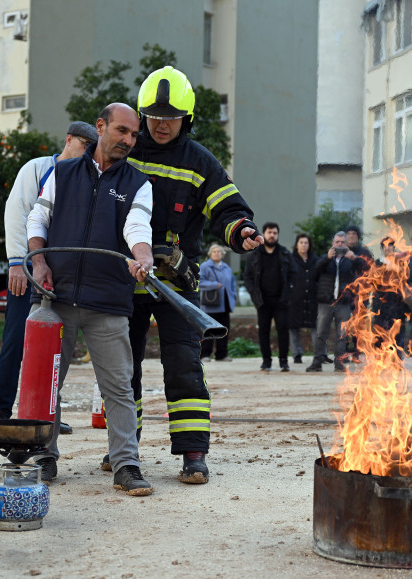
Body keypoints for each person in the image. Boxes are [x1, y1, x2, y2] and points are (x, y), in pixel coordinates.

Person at [126, 66, 261, 485]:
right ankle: (122, 450)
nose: (161, 123)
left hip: (176, 286)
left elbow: (228, 209)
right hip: (124, 280)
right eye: (153, 115)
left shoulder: (200, 162)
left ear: (187, 119)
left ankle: (193, 454)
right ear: (142, 114)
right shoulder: (123, 153)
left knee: (184, 365)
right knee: (120, 369)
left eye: (171, 117)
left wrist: (241, 232)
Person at [26, 103, 155, 495]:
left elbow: (137, 225)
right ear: (100, 127)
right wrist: (39, 259)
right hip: (55, 298)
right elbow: (37, 218)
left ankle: (126, 465)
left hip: (108, 303)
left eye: (134, 136)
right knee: (46, 385)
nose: (128, 141)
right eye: (122, 131)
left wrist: (143, 256)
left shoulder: (139, 183)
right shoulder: (62, 173)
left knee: (119, 388)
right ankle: (43, 456)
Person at [0, 121, 97, 432]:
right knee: (16, 341)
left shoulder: (86, 180)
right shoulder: (37, 168)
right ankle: (0, 413)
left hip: (63, 275)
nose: (87, 152)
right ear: (69, 139)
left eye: (92, 148)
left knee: (55, 349)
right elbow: (17, 212)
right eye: (84, 145)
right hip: (29, 268)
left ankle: (45, 416)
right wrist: (17, 262)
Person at [306, 232, 367, 372]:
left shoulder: (350, 260)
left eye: (342, 242)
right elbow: (314, 272)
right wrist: (327, 258)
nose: (340, 245)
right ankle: (317, 362)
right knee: (321, 333)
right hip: (325, 302)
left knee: (342, 335)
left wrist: (354, 258)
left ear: (346, 244)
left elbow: (365, 269)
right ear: (333, 244)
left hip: (343, 303)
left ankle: (339, 363)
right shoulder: (325, 259)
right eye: (337, 242)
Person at [244, 222, 293, 371]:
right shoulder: (254, 255)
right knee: (263, 331)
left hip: (281, 301)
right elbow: (247, 277)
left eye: (275, 233)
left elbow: (293, 274)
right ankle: (266, 361)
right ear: (264, 234)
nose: (272, 235)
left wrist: (288, 294)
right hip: (262, 301)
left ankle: (283, 361)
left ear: (278, 235)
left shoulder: (284, 253)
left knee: (283, 330)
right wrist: (254, 294)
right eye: (269, 232)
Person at [198, 244, 237, 362]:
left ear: (223, 254)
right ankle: (205, 354)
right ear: (210, 254)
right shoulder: (205, 266)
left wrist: (233, 296)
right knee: (208, 330)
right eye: (214, 251)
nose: (217, 253)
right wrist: (215, 285)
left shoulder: (226, 268)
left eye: (219, 251)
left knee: (224, 330)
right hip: (210, 305)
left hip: (224, 304)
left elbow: (233, 284)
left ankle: (222, 354)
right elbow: (199, 282)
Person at [287, 233, 318, 364]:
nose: (303, 245)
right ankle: (297, 353)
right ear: (296, 245)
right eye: (301, 242)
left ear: (309, 245)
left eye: (306, 243)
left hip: (313, 298)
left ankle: (319, 353)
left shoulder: (315, 260)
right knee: (294, 327)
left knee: (316, 326)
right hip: (295, 298)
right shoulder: (290, 259)